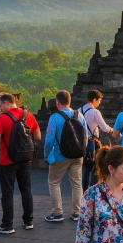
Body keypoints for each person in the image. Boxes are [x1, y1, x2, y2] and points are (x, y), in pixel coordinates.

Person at [0, 93, 42, 234]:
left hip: (7, 160)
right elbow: (38, 136)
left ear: (7, 103)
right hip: (25, 159)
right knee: (26, 190)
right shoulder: (28, 115)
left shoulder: (2, 118)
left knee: (7, 192)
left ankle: (7, 225)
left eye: (0, 105)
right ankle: (28, 221)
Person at [45, 90, 86, 223]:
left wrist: (46, 154)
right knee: (77, 184)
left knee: (54, 183)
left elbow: (49, 139)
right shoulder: (80, 115)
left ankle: (57, 213)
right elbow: (86, 136)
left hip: (60, 155)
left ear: (57, 102)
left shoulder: (55, 118)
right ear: (70, 101)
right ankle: (76, 213)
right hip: (78, 154)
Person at [79, 89, 114, 191]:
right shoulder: (95, 112)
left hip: (81, 142)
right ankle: (94, 189)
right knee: (95, 166)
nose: (99, 103)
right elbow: (104, 127)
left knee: (86, 167)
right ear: (94, 100)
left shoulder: (78, 110)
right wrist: (112, 130)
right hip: (92, 141)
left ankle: (85, 190)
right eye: (99, 101)